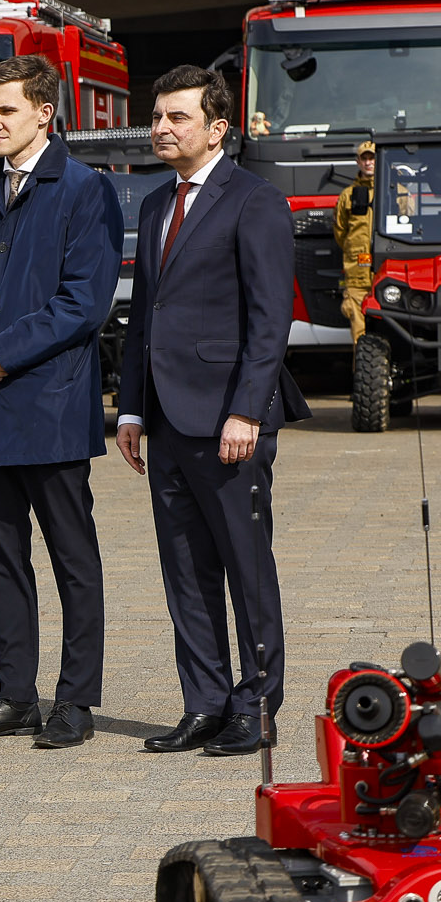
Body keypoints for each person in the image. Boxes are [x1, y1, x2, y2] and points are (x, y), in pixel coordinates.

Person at [0, 54, 123, 751]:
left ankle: (76, 699)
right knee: (1, 558)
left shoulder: (83, 190)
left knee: (73, 557)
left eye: (6, 110)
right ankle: (15, 695)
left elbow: (82, 302)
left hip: (49, 408)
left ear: (45, 112)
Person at [117, 65, 308, 758]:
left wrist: (247, 411)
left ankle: (256, 707)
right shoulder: (153, 204)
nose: (161, 128)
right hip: (165, 420)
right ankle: (204, 703)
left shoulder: (254, 201)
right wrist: (130, 408)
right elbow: (145, 315)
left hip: (229, 421)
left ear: (217, 127)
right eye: (158, 116)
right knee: (185, 570)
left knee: (245, 566)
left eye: (177, 118)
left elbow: (268, 319)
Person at [336, 140, 378, 345]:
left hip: (389, 274)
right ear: (358, 162)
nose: (369, 163)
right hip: (357, 278)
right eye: (365, 158)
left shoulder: (398, 192)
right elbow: (340, 232)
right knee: (359, 336)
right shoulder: (347, 196)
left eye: (373, 158)